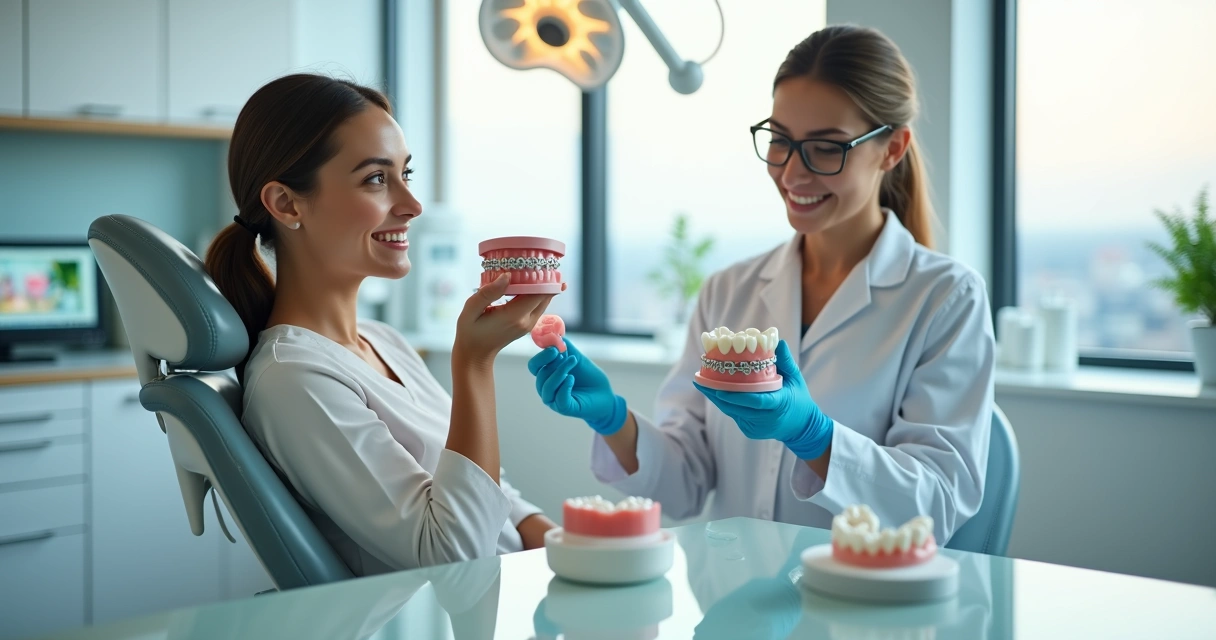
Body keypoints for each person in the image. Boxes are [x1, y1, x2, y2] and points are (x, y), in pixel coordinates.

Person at [528, 25, 995, 543]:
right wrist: (614, 419)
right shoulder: (729, 292)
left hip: (860, 612)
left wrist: (814, 438)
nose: (793, 173)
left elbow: (937, 503)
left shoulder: (946, 300)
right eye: (780, 141)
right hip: (733, 603)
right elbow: (685, 485)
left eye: (826, 148)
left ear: (892, 149)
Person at [205, 74, 558, 575]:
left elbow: (488, 492)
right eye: (376, 178)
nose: (412, 206)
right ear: (286, 204)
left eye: (404, 175)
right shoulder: (294, 379)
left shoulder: (383, 342)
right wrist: (475, 363)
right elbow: (452, 558)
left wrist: (568, 544)